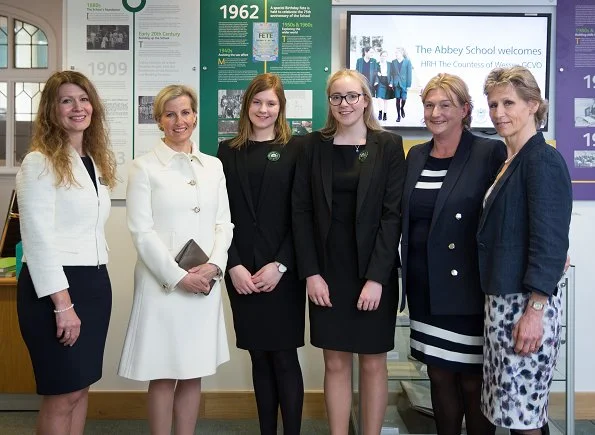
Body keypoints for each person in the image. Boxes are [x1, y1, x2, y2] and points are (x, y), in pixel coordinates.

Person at [292, 69, 405, 434]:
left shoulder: (387, 145)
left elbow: (393, 216)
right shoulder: (312, 146)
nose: (345, 104)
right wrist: (311, 273)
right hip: (327, 272)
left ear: (366, 99)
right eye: (337, 97)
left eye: (353, 96)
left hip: (373, 272)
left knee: (373, 363)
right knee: (336, 362)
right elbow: (301, 212)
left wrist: (376, 279)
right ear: (329, 102)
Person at [118, 84, 233, 435]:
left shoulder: (213, 166)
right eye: (170, 114)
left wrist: (215, 266)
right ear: (159, 120)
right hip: (163, 286)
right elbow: (141, 232)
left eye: (185, 112)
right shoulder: (143, 168)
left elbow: (224, 223)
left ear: (195, 116)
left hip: (204, 282)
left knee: (192, 370)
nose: (178, 120)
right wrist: (179, 277)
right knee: (164, 372)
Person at [400, 73, 506, 435]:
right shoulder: (415, 155)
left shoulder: (488, 152)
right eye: (429, 105)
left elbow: (509, 210)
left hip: (469, 290)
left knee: (472, 383)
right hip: (424, 286)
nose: (435, 112)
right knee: (439, 377)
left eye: (445, 105)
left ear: (464, 109)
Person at [15, 70, 117, 435]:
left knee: (80, 387)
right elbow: (38, 238)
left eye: (84, 99)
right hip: (56, 290)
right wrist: (63, 304)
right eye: (66, 100)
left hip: (93, 283)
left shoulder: (92, 161)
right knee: (61, 393)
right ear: (51, 110)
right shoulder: (39, 161)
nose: (78, 107)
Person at [479, 66, 572, 435]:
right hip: (503, 303)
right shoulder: (510, 161)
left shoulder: (542, 160)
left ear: (533, 105)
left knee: (524, 415)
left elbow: (550, 242)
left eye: (509, 103)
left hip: (527, 307)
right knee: (514, 410)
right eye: (493, 104)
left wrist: (534, 311)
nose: (499, 113)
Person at [217, 73, 306, 435]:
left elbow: (302, 214)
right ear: (246, 105)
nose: (263, 109)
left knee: (284, 356)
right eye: (257, 102)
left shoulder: (297, 149)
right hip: (241, 272)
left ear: (281, 107)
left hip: (281, 273)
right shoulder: (227, 150)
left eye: (271, 103)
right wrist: (233, 265)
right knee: (257, 356)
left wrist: (281, 265)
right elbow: (220, 215)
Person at [389, 47, 412, 122]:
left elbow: (409, 74)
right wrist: (391, 83)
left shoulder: (407, 62)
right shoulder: (393, 62)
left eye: (397, 53)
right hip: (396, 84)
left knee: (404, 99)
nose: (396, 54)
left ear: (401, 53)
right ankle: (398, 115)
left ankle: (402, 108)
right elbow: (392, 74)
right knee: (397, 100)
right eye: (395, 53)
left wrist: (408, 85)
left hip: (404, 84)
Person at [374, 50, 393, 121]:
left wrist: (391, 82)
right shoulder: (377, 64)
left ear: (387, 57)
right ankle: (380, 113)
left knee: (385, 100)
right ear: (380, 56)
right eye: (382, 56)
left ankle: (385, 114)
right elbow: (374, 72)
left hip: (387, 82)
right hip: (380, 81)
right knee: (379, 98)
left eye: (385, 56)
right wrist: (377, 74)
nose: (383, 57)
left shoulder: (390, 64)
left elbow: (392, 74)